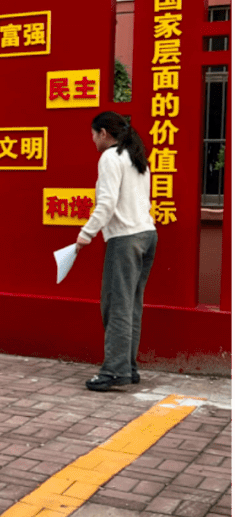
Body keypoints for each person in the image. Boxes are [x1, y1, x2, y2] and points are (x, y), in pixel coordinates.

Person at [75, 111, 157, 392]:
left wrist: (86, 234)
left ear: (104, 133)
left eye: (93, 134)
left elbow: (107, 203)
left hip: (125, 239)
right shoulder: (136, 157)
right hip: (147, 235)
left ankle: (114, 370)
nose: (92, 140)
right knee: (132, 305)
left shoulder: (110, 157)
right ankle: (128, 367)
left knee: (116, 305)